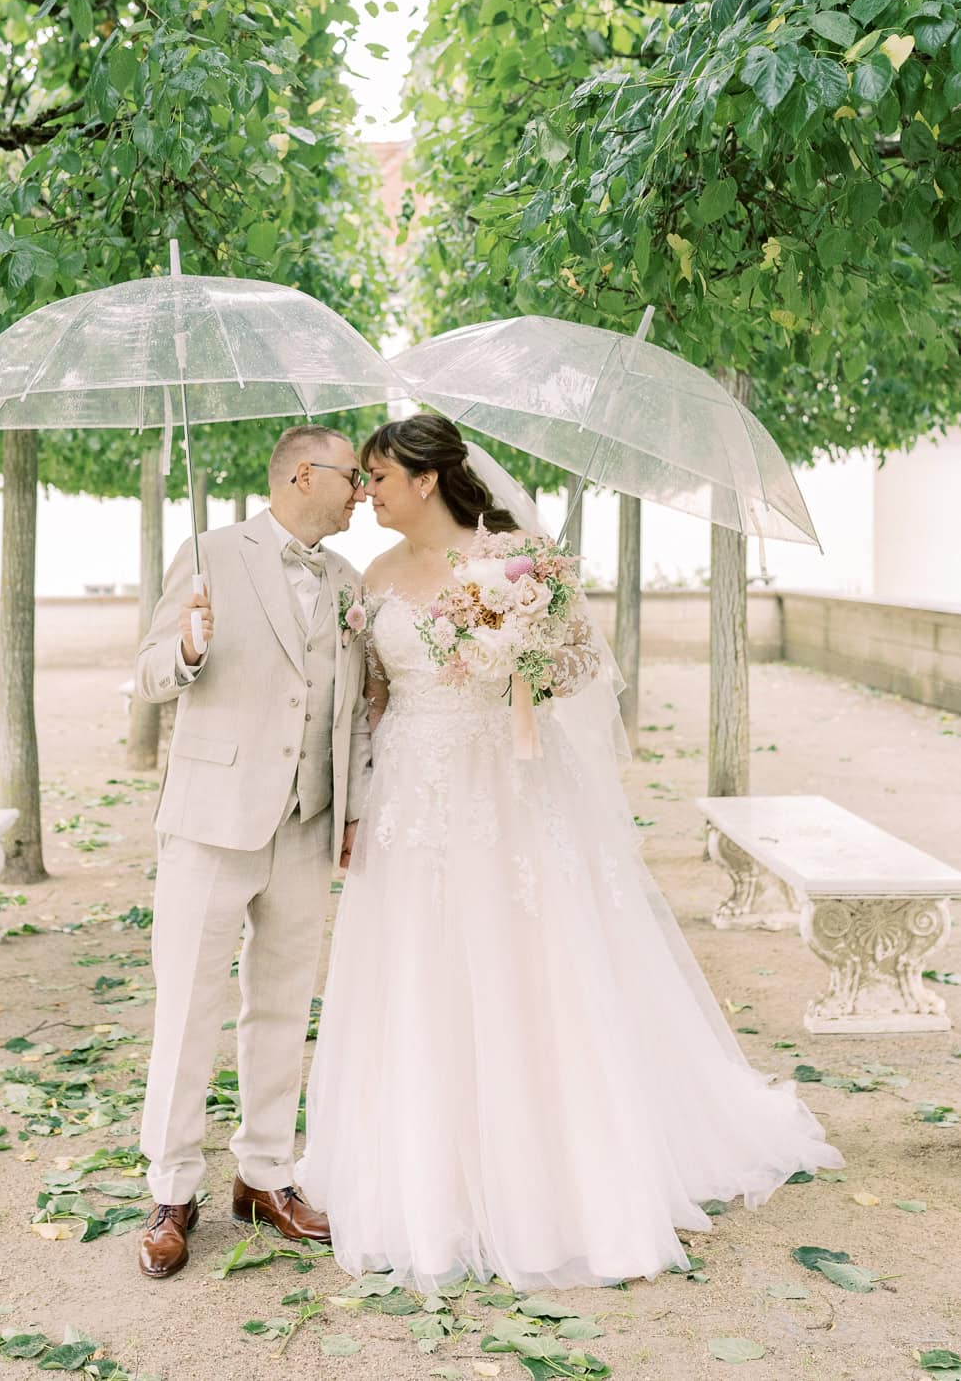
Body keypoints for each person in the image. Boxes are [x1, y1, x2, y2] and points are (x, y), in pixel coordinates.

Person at [295, 412, 842, 1291]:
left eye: (381, 477)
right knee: (416, 964)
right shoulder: (376, 576)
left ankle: (549, 1176)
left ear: (427, 478)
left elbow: (579, 668)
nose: (370, 492)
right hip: (410, 797)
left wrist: (525, 649)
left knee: (525, 960)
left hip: (507, 787)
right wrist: (358, 805)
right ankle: (429, 1173)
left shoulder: (517, 558)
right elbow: (375, 698)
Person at [132, 424, 372, 1280]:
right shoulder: (208, 554)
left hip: (307, 820)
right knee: (187, 1008)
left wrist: (352, 807)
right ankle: (171, 1190)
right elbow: (148, 673)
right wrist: (188, 647)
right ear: (304, 474)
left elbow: (353, 708)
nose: (362, 491)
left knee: (280, 1005)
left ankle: (265, 1174)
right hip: (212, 817)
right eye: (352, 476)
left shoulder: (348, 582)